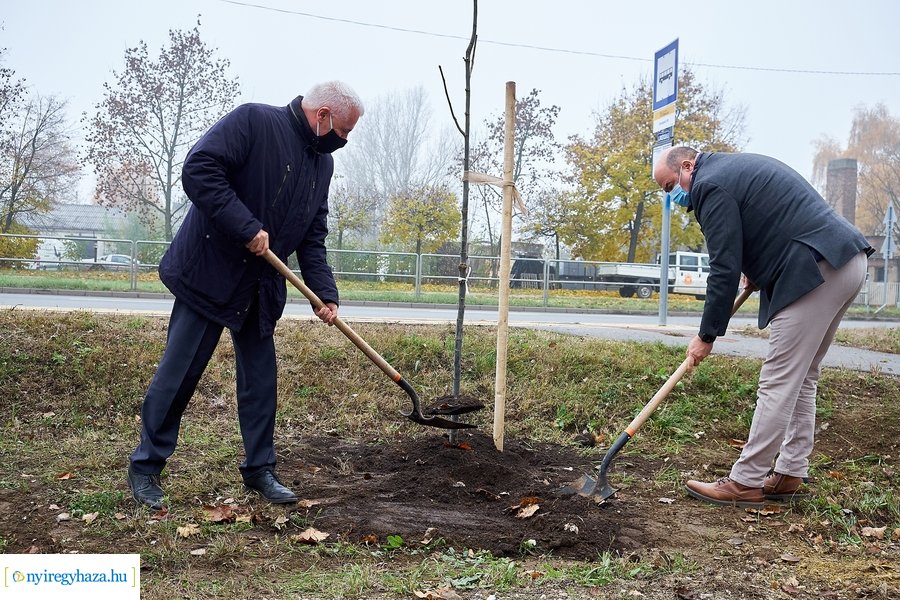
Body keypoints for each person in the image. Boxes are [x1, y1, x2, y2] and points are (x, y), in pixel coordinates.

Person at [127, 81, 364, 509]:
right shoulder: (254, 121)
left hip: (261, 284)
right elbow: (199, 168)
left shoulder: (320, 165)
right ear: (323, 115)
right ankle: (146, 467)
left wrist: (323, 294)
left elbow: (312, 236)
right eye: (344, 130)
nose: (344, 141)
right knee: (180, 373)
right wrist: (245, 226)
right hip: (211, 272)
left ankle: (260, 470)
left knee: (260, 382)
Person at [652, 146, 873, 508]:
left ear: (687, 166)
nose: (673, 195)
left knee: (778, 380)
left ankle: (745, 481)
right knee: (802, 377)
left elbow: (723, 266)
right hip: (845, 261)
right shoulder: (730, 170)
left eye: (669, 185)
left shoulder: (709, 185)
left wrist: (707, 334)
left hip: (814, 270)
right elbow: (766, 224)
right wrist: (754, 270)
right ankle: (788, 472)